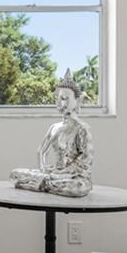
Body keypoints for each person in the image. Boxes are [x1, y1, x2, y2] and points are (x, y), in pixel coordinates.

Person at [10, 70, 93, 198]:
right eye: (57, 98)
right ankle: (44, 183)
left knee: (78, 187)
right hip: (53, 174)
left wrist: (64, 173)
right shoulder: (54, 127)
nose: (60, 103)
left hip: (72, 177)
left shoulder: (81, 128)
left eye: (64, 99)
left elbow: (85, 161)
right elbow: (41, 151)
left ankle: (41, 184)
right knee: (15, 174)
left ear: (77, 101)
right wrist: (43, 170)